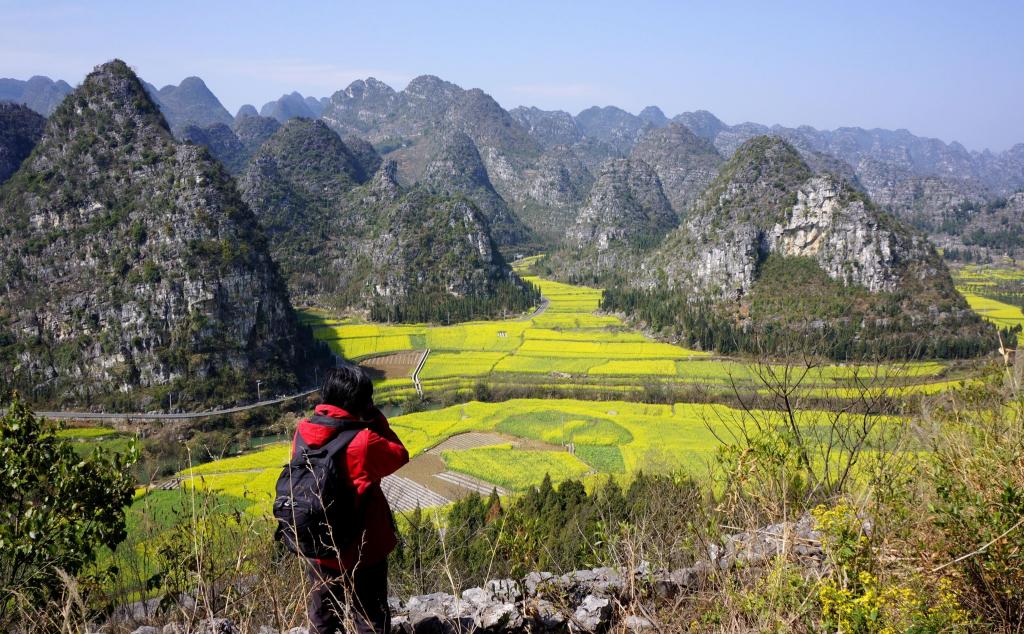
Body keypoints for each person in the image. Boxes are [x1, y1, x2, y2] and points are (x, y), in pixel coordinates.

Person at [293, 364, 409, 633]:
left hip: (319, 547)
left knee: (322, 621)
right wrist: (375, 417)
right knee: (370, 622)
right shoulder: (363, 442)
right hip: (362, 551)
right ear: (359, 403)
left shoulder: (302, 432)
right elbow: (399, 454)